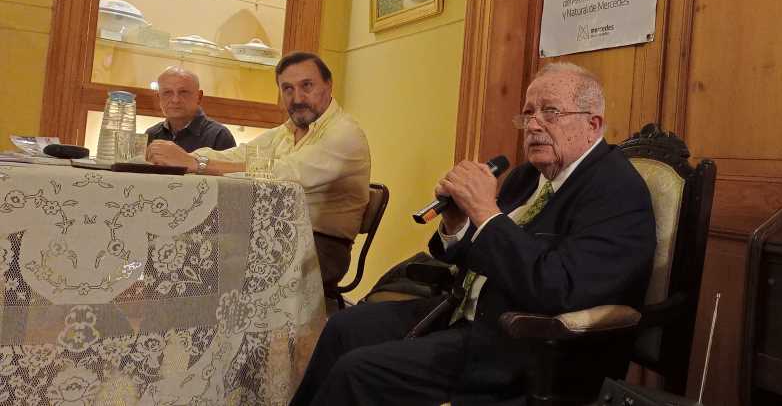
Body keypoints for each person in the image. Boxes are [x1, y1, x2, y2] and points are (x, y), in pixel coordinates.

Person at [290, 62, 657, 406]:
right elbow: (485, 253)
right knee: (343, 326)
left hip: (519, 343)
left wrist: (485, 212)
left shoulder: (616, 190)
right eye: (528, 113)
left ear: (593, 124)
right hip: (459, 311)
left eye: (550, 112)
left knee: (358, 371)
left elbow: (559, 288)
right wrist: (458, 224)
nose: (533, 125)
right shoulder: (527, 176)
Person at [146, 52, 371, 290]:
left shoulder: (344, 134)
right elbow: (238, 155)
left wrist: (196, 164)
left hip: (321, 247)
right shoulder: (286, 132)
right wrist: (181, 157)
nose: (297, 98)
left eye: (307, 85)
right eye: (287, 89)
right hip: (268, 234)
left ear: (328, 85)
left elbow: (282, 175)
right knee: (168, 249)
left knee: (195, 262)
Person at [145, 66, 236, 152]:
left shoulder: (219, 136)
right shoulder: (151, 135)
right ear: (159, 97)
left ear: (199, 97)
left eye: (183, 92)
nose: (175, 100)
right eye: (167, 92)